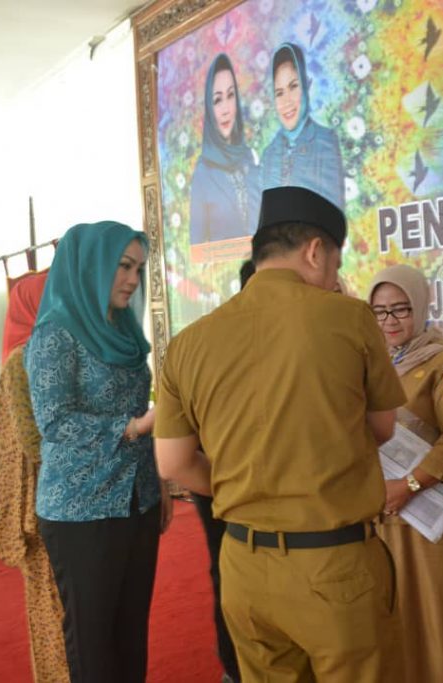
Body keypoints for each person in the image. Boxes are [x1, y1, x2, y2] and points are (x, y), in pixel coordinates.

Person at [154, 185, 406, 682]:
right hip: (334, 567)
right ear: (314, 251)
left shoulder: (187, 343)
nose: (332, 279)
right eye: (334, 265)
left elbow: (173, 463)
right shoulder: (350, 317)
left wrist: (246, 480)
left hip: (243, 567)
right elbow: (383, 428)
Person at [25, 221, 172, 683]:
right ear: (91, 266)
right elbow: (54, 421)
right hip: (81, 509)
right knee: (93, 644)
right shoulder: (55, 334)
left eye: (138, 269)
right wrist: (133, 428)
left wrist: (159, 481)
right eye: (123, 267)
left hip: (138, 500)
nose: (132, 279)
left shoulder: (123, 330)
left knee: (130, 634)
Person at [367, 264, 443, 682]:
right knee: (394, 616)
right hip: (387, 510)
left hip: (432, 511)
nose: (390, 321)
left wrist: (410, 484)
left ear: (419, 307)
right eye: (379, 311)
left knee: (438, 619)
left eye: (401, 309)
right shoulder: (372, 362)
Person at [0, 280, 67, 682]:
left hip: (62, 497)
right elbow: (34, 445)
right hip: (41, 504)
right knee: (51, 605)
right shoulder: (22, 363)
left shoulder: (61, 353)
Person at [185, 259, 256, 683]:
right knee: (228, 571)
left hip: (225, 481)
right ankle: (234, 668)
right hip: (221, 482)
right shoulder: (214, 342)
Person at [259, 43, 345, 210]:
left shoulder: (325, 141)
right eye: (279, 93)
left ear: (306, 85)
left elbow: (334, 214)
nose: (287, 101)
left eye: (293, 86)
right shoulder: (269, 154)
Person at [190, 54, 258, 245]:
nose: (226, 109)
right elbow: (197, 246)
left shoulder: (250, 158)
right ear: (209, 108)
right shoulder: (203, 172)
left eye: (230, 95)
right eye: (217, 100)